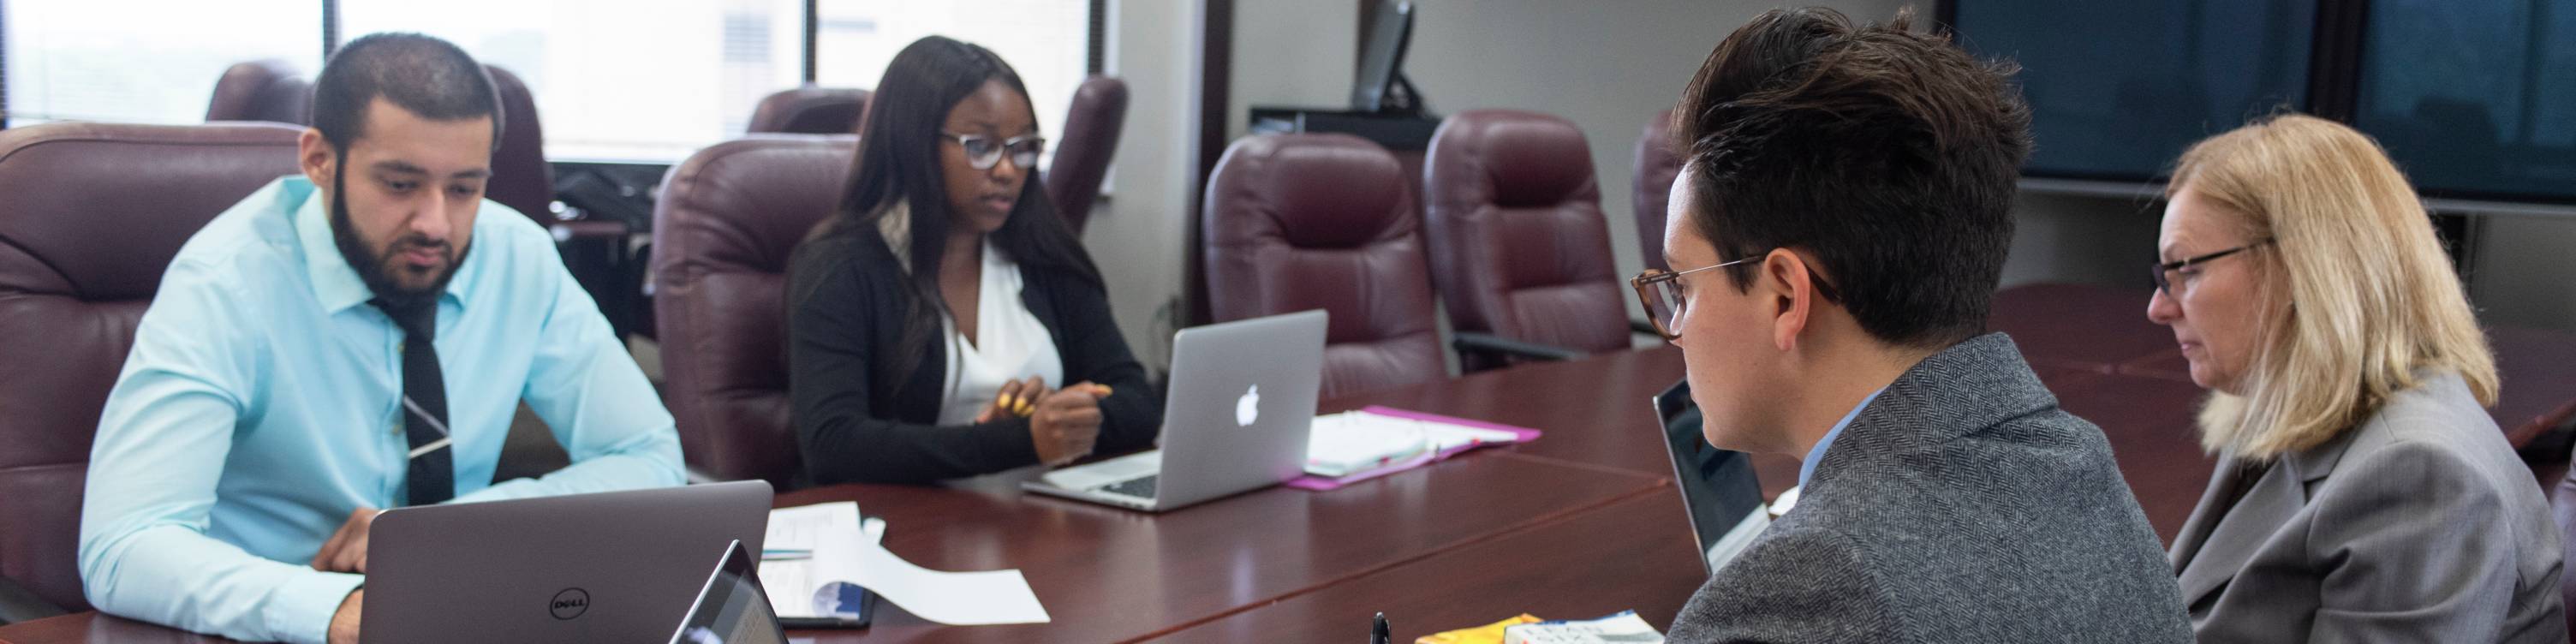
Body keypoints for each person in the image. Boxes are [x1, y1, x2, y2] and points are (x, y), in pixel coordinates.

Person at [78, 33, 683, 644]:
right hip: (268, 621)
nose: (435, 224)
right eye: (399, 184)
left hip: (457, 610)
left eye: (465, 188)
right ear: (318, 160)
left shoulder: (516, 256)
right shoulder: (226, 284)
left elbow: (648, 458)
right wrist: (338, 609)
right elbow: (124, 546)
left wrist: (439, 534)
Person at [1643, 8, 2191, 641]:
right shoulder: (2077, 463)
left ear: (1786, 296)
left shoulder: (1798, 595)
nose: (1676, 329)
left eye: (1681, 286)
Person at [2151, 114, 2565, 641]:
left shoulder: (2422, 478)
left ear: (2304, 268)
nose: (2158, 308)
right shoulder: (2291, 406)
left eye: (2186, 269)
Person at [786, 36, 1157, 486]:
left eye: (1023, 148)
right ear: (913, 143)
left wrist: (1068, 417)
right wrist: (1019, 440)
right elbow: (835, 445)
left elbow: (1137, 400)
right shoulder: (839, 266)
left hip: (1039, 520)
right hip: (908, 530)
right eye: (980, 146)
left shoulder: (1042, 253)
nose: (1007, 170)